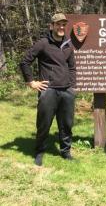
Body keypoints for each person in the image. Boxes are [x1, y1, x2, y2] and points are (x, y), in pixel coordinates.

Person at [20, 13, 76, 166]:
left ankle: (65, 152)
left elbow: (72, 67)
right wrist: (31, 82)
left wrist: (72, 87)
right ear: (51, 26)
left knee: (66, 124)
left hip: (67, 91)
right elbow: (25, 62)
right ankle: (39, 152)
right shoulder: (43, 43)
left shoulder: (68, 44)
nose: (61, 27)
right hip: (48, 90)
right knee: (44, 124)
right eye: (58, 24)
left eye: (63, 24)